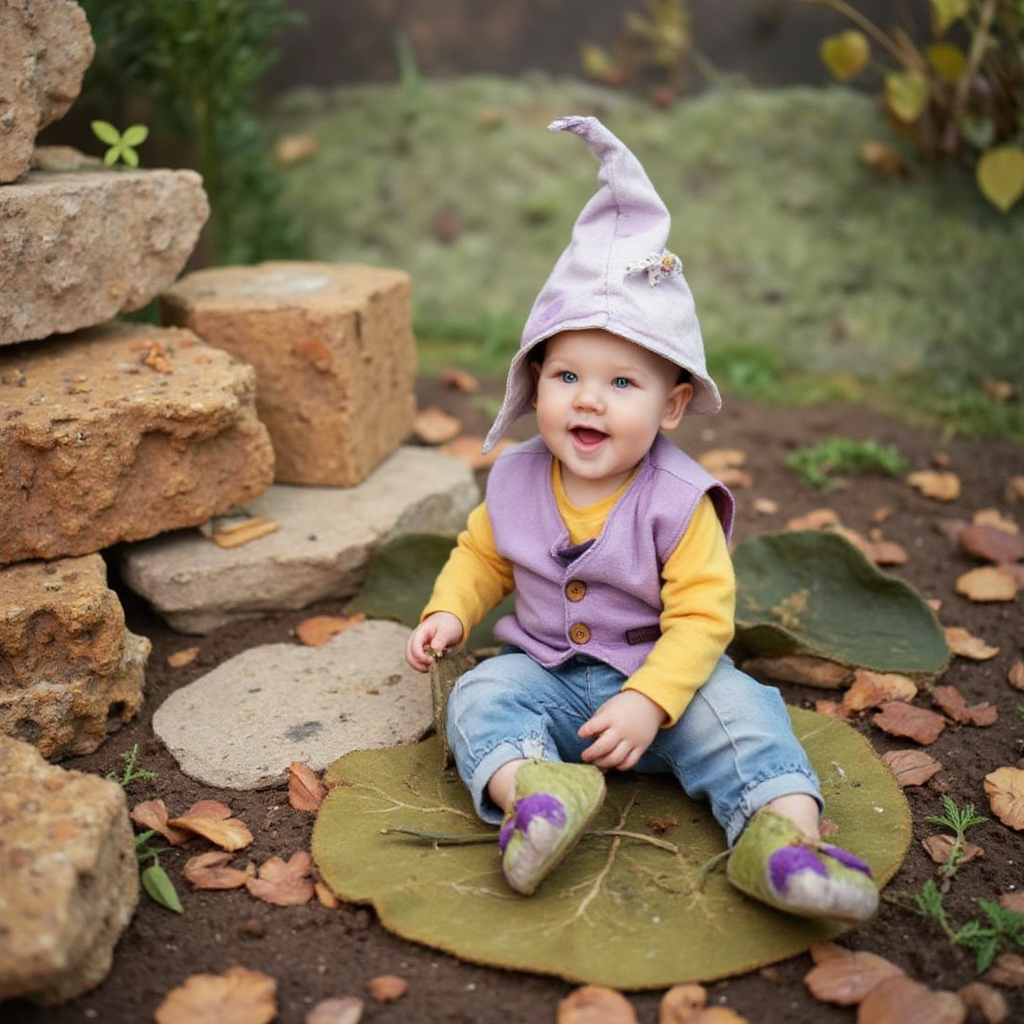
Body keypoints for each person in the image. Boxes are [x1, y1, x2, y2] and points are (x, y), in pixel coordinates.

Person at [406, 115, 877, 923]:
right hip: (552, 681)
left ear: (675, 403)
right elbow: (483, 556)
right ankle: (539, 794)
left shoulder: (675, 499)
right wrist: (450, 610)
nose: (589, 398)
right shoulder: (518, 476)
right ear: (534, 381)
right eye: (567, 375)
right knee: (479, 697)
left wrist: (651, 701)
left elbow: (701, 617)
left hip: (669, 688)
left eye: (624, 383)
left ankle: (782, 842)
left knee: (746, 718)